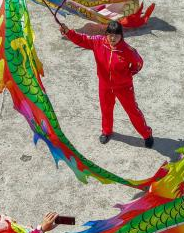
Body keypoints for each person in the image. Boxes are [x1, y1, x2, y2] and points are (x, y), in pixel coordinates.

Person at [59, 20, 154, 148]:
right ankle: (106, 131)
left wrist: (127, 75)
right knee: (106, 109)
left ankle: (146, 134)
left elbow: (138, 64)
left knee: (132, 111)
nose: (113, 38)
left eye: (116, 35)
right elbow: (81, 39)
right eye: (110, 35)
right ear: (106, 34)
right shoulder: (98, 42)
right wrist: (68, 32)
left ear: (121, 36)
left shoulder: (128, 50)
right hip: (104, 85)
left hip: (124, 87)